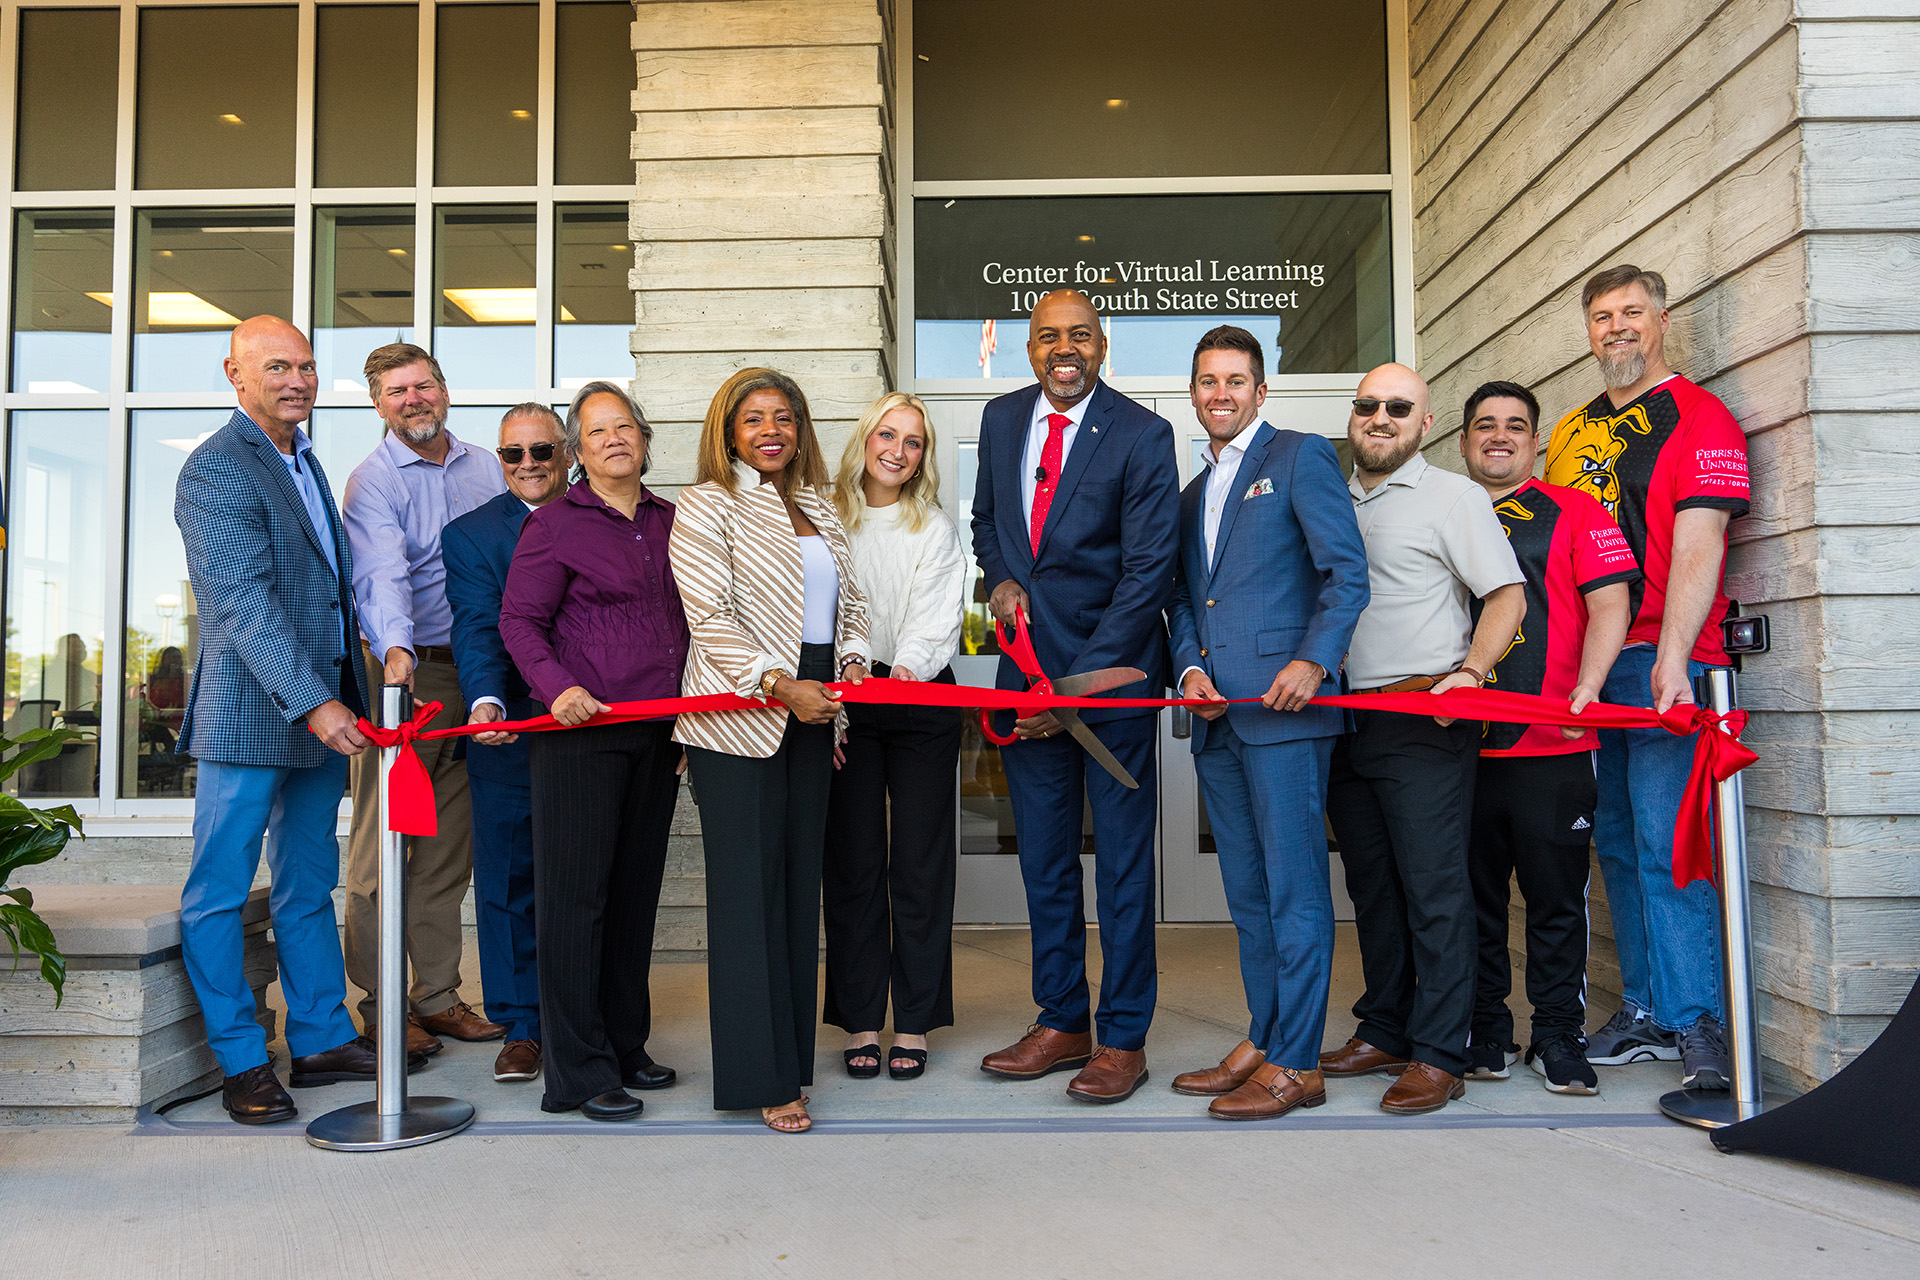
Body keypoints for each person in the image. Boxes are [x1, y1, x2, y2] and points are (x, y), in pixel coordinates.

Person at [173, 316, 423, 1125]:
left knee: (310, 883)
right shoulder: (216, 469)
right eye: (277, 366)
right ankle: (243, 1059)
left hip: (324, 707)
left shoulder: (307, 463)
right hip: (254, 713)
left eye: (308, 367)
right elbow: (241, 602)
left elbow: (329, 593)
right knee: (218, 891)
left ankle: (319, 1036)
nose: (298, 381)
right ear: (235, 375)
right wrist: (317, 703)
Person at [1543, 265, 1751, 1089]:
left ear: (1661, 320)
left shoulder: (1700, 418)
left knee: (1673, 845)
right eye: (1602, 316)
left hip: (1663, 660)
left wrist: (1675, 652)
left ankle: (1701, 1023)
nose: (1617, 327)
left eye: (1632, 312)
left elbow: (1701, 543)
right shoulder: (1567, 432)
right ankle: (1648, 1012)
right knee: (1621, 847)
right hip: (1591, 668)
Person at [970, 290, 1179, 1104]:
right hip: (1027, 679)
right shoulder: (998, 420)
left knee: (1123, 865)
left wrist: (1077, 683)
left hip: (1111, 686)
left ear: (1102, 345)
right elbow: (989, 522)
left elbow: (1148, 570)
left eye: (1080, 335)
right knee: (1045, 860)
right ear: (1029, 348)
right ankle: (1062, 1019)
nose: (1065, 348)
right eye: (1049, 336)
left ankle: (1123, 1035)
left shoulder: (1142, 432)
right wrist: (1002, 577)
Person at [1165, 327, 1370, 1120]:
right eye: (1209, 382)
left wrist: (1315, 660)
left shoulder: (1299, 457)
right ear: (1194, 394)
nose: (1222, 394)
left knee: (1294, 894)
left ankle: (1297, 1063)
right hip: (1215, 715)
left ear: (1261, 391)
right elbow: (1184, 599)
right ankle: (1265, 1034)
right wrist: (1188, 668)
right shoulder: (1191, 494)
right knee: (1248, 896)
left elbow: (1346, 571)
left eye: (1236, 381)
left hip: (1287, 711)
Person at [1320, 362, 1527, 1116]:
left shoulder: (1454, 496)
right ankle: (1386, 1028)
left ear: (1425, 422)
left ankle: (1441, 1052)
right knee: (1372, 888)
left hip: (1422, 718)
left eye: (1398, 407)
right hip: (1343, 720)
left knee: (1436, 890)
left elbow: (1507, 592)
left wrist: (1473, 670)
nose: (1381, 417)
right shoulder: (1329, 495)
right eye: (1368, 405)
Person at [669, 368, 871, 1134]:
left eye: (783, 417)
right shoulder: (708, 504)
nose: (771, 430)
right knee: (748, 902)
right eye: (753, 419)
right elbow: (709, 617)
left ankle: (788, 1059)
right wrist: (782, 685)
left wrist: (851, 661)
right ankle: (761, 1076)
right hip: (741, 717)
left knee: (794, 895)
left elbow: (850, 605)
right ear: (729, 432)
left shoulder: (820, 504)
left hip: (819, 710)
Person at [499, 382, 688, 1121]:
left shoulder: (672, 521)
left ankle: (624, 1045)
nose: (615, 440)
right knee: (577, 904)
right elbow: (519, 622)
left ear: (642, 438)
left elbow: (693, 624)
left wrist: (685, 729)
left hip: (658, 734)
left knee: (635, 899)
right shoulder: (554, 525)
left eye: (625, 427)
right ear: (577, 452)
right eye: (597, 431)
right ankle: (576, 1072)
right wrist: (554, 688)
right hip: (581, 737)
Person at [1457, 381, 1638, 1095]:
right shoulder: (1448, 510)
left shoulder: (1577, 510)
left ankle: (1558, 1035)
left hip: (1553, 747)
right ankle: (1486, 1032)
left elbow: (1611, 602)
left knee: (1557, 903)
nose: (1499, 436)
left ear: (1535, 443)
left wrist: (1588, 691)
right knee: (1473, 903)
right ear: (1465, 439)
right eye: (1485, 426)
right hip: (1460, 750)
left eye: (1515, 426)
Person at [341, 343, 507, 1055]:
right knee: (386, 850)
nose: (414, 399)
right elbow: (382, 573)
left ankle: (436, 997)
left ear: (445, 390)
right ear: (379, 404)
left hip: (482, 677)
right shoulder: (372, 481)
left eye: (425, 385)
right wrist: (398, 653)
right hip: (407, 680)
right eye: (397, 390)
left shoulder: (491, 466)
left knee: (447, 854)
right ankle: (381, 1008)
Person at [824, 391, 969, 1081]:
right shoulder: (826, 518)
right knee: (853, 866)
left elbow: (936, 620)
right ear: (866, 438)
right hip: (847, 699)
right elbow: (814, 612)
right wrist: (843, 700)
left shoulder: (934, 527)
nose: (899, 451)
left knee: (919, 865)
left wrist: (901, 673)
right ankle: (859, 1018)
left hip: (918, 695)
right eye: (888, 434)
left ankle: (912, 1020)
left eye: (914, 442)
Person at [442, 404, 572, 1085]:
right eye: (512, 454)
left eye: (541, 451)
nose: (527, 465)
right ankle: (521, 1026)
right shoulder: (470, 536)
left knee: (588, 881)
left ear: (567, 453)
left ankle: (586, 1020)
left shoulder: (607, 518)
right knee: (507, 885)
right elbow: (477, 629)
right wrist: (487, 700)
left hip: (594, 726)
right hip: (511, 727)